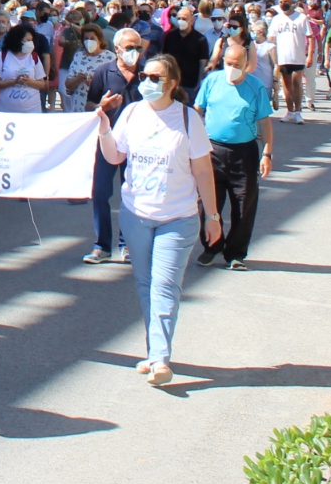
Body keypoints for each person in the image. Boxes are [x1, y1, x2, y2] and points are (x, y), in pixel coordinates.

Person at [93, 53, 221, 385]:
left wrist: (213, 215)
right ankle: (154, 352)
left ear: (172, 83)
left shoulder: (188, 118)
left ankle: (161, 360)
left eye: (156, 78)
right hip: (136, 215)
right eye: (145, 76)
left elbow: (204, 171)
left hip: (177, 217)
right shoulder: (132, 113)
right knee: (145, 284)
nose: (147, 82)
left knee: (165, 285)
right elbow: (115, 156)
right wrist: (104, 125)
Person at [193, 41, 274, 270]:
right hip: (212, 150)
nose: (231, 68)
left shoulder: (255, 87)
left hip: (243, 152)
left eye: (236, 64)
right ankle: (212, 246)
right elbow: (197, 111)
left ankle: (236, 253)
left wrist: (267, 152)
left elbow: (265, 122)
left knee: (243, 203)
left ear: (246, 64)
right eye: (228, 63)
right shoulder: (212, 81)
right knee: (207, 203)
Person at [81, 28, 144, 266]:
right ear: (117, 49)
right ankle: (101, 246)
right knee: (100, 194)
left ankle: (126, 244)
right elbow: (89, 106)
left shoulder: (148, 73)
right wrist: (102, 106)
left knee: (132, 196)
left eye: (138, 47)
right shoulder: (103, 72)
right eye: (129, 48)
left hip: (138, 145)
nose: (134, 52)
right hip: (107, 141)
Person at [0, 23, 49, 115]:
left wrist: (29, 81)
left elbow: (41, 84)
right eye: (28, 40)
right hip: (7, 111)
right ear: (18, 40)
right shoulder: (1, 56)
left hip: (32, 110)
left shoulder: (34, 57)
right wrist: (14, 82)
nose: (31, 43)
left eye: (32, 40)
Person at [60, 24, 111, 114]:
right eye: (86, 38)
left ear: (99, 40)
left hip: (99, 107)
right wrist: (77, 79)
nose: (89, 41)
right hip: (78, 106)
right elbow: (68, 85)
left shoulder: (109, 57)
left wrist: (95, 83)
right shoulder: (78, 56)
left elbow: (113, 84)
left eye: (92, 38)